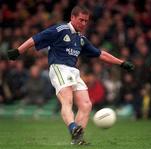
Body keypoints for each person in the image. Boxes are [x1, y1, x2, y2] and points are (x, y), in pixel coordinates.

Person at [7, 5, 134, 145]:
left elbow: (100, 54)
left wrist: (121, 63)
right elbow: (35, 39)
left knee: (86, 105)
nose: (84, 23)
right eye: (81, 20)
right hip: (59, 68)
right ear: (72, 17)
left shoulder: (81, 39)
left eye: (86, 21)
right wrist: (18, 51)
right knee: (67, 100)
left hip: (73, 71)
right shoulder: (60, 30)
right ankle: (73, 127)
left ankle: (77, 140)